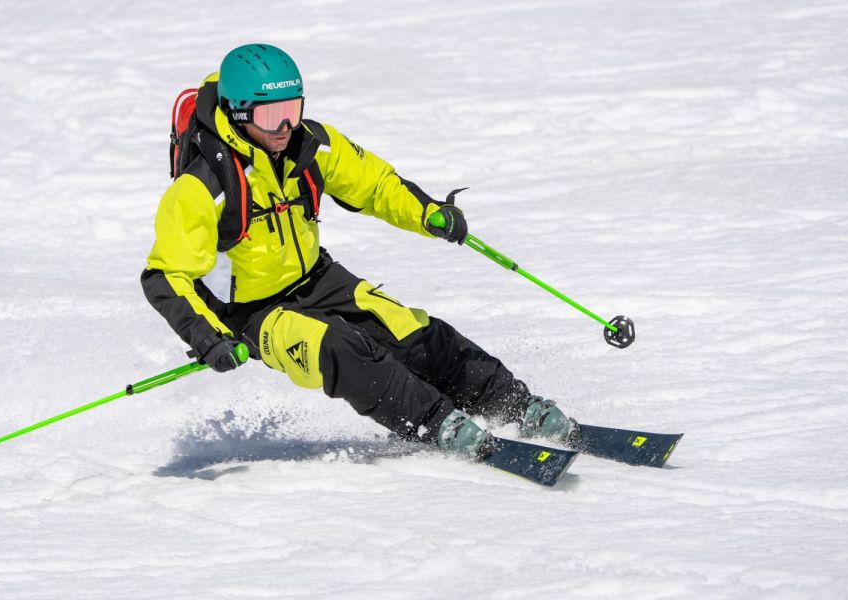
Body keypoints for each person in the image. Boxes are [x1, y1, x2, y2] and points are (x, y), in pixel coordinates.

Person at [142, 44, 577, 459]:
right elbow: (165, 276)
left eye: (292, 110)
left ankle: (517, 406)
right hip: (250, 313)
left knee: (411, 331)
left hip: (317, 278)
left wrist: (427, 213)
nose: (284, 128)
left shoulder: (311, 144)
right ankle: (436, 423)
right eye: (271, 115)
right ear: (238, 114)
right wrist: (208, 338)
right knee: (342, 348)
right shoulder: (201, 188)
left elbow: (374, 184)